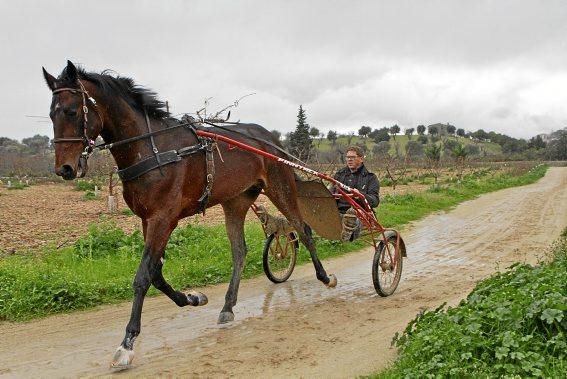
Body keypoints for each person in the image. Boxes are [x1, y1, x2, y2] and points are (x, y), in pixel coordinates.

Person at [330, 146, 380, 241]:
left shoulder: (370, 177)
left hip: (360, 213)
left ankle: (347, 234)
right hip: (339, 211)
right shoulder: (339, 175)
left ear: (361, 159)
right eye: (347, 157)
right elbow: (330, 192)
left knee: (353, 215)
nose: (349, 160)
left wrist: (360, 195)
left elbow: (375, 201)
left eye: (352, 157)